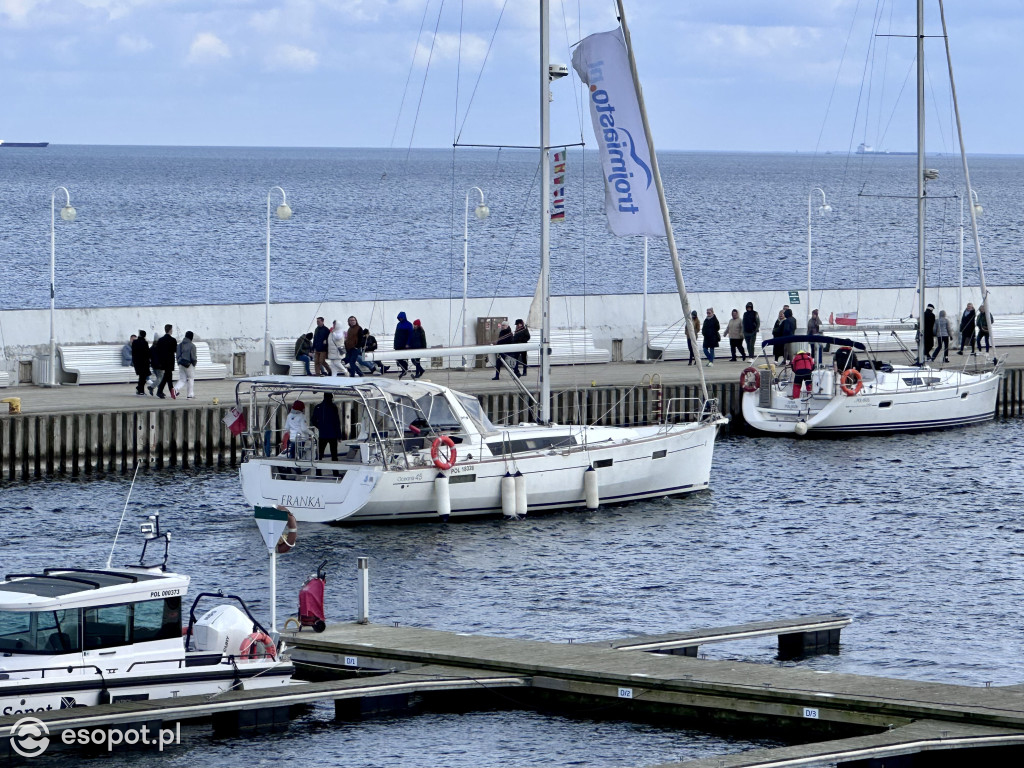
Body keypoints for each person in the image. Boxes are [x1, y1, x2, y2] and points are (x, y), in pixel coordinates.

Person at [311, 393, 342, 462]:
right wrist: (339, 435)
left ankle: (318, 471)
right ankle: (335, 471)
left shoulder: (318, 407)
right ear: (331, 398)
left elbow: (313, 420)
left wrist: (320, 426)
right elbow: (337, 422)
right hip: (333, 434)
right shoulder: (333, 407)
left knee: (320, 454)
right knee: (334, 455)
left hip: (322, 434)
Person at [152, 324, 177, 399]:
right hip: (170, 361)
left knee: (167, 376)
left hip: (163, 362)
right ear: (170, 330)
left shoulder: (160, 340)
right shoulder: (173, 340)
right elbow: (175, 350)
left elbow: (158, 351)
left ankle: (162, 391)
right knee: (168, 376)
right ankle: (171, 392)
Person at [173, 331, 198, 399]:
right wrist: (194, 363)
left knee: (182, 379)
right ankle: (190, 394)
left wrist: (178, 362)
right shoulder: (192, 346)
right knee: (190, 379)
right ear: (191, 337)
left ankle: (175, 389)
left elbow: (177, 355)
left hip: (181, 363)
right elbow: (193, 357)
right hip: (189, 364)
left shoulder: (179, 345)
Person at [394, 311, 413, 379]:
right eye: (399, 318)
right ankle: (404, 369)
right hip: (398, 345)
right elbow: (396, 335)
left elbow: (410, 335)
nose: (400, 319)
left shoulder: (409, 325)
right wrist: (395, 344)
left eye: (401, 318)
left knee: (403, 358)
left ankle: (404, 370)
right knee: (398, 359)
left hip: (405, 345)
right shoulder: (398, 325)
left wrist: (408, 343)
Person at [131, 331, 150, 396]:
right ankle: (140, 390)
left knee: (141, 377)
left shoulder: (135, 342)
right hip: (144, 362)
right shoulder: (145, 343)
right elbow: (147, 353)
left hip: (137, 362)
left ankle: (139, 388)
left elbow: (133, 352)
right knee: (143, 377)